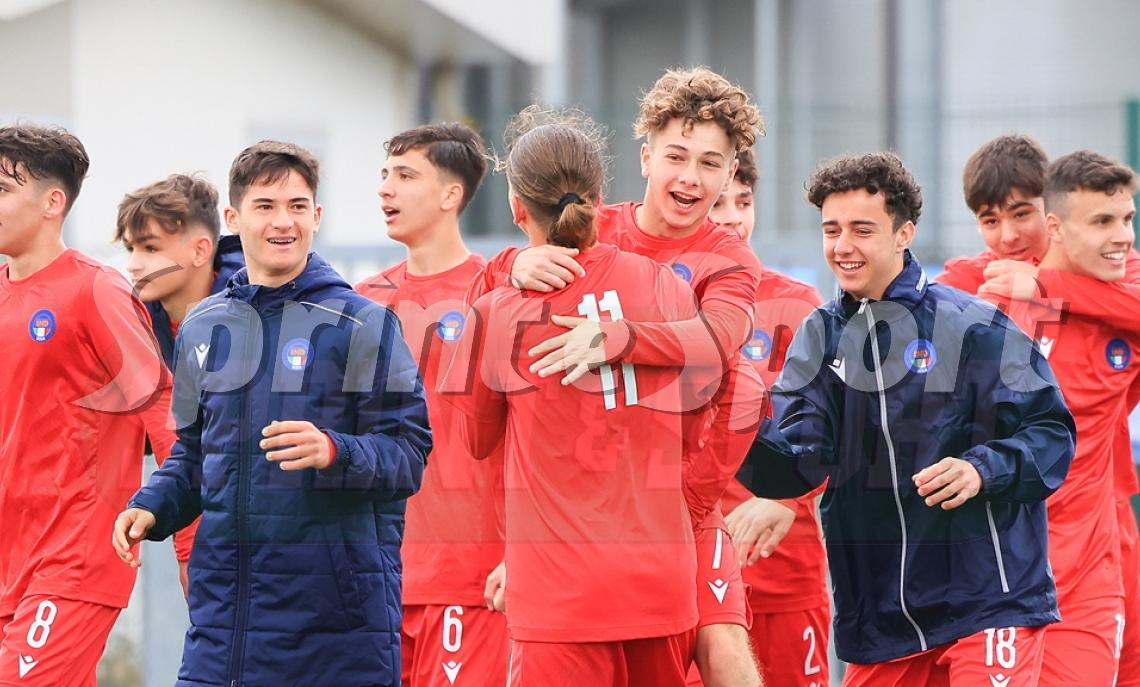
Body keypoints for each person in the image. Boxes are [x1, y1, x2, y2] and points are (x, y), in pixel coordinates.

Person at [468, 67, 766, 687]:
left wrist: (689, 498)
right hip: (582, 509)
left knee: (725, 648)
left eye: (711, 164)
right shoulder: (592, 221)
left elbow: (723, 351)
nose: (690, 177)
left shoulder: (729, 258)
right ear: (646, 157)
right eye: (677, 157)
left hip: (679, 496)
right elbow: (492, 288)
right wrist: (513, 262)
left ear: (732, 174)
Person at [743, 151, 1076, 686]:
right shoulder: (820, 335)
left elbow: (1051, 434)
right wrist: (730, 410)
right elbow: (793, 466)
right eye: (831, 230)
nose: (843, 246)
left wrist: (982, 469)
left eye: (862, 229)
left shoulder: (972, 324)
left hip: (987, 604)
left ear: (904, 234)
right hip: (882, 622)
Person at [112, 140, 431, 687]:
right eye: (266, 206)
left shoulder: (364, 324)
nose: (284, 222)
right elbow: (194, 453)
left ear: (317, 217)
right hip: (222, 630)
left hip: (336, 635)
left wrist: (335, 450)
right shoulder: (201, 328)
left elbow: (409, 453)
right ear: (235, 218)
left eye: (297, 207)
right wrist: (153, 504)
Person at [440, 105, 706, 687]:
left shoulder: (496, 311)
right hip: (659, 584)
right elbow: (698, 423)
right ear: (600, 194)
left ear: (516, 208)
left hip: (559, 595)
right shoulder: (665, 286)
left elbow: (477, 442)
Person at [940, 134, 1140, 685]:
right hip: (998, 548)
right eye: (989, 220)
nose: (1008, 236)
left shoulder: (1116, 285)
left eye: (1022, 213)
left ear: (1050, 215)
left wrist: (1044, 285)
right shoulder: (972, 290)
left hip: (1099, 531)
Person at [0, 123, 175, 686]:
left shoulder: (95, 290)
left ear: (54, 202)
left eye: (2, 188)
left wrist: (193, 534)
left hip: (74, 555)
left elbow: (162, 406)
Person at [355, 123, 508, 686]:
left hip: (470, 575)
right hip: (378, 579)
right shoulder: (365, 300)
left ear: (451, 195)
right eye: (384, 175)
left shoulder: (494, 295)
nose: (385, 190)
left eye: (405, 175)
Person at [700, 147, 831, 687]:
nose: (732, 216)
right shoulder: (660, 300)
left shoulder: (798, 305)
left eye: (744, 201)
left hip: (783, 572)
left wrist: (781, 498)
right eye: (717, 204)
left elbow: (831, 426)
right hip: (691, 577)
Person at [115, 173, 245, 596]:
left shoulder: (255, 310)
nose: (135, 263)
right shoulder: (136, 323)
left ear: (200, 250)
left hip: (266, 533)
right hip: (186, 519)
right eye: (131, 248)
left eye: (151, 248)